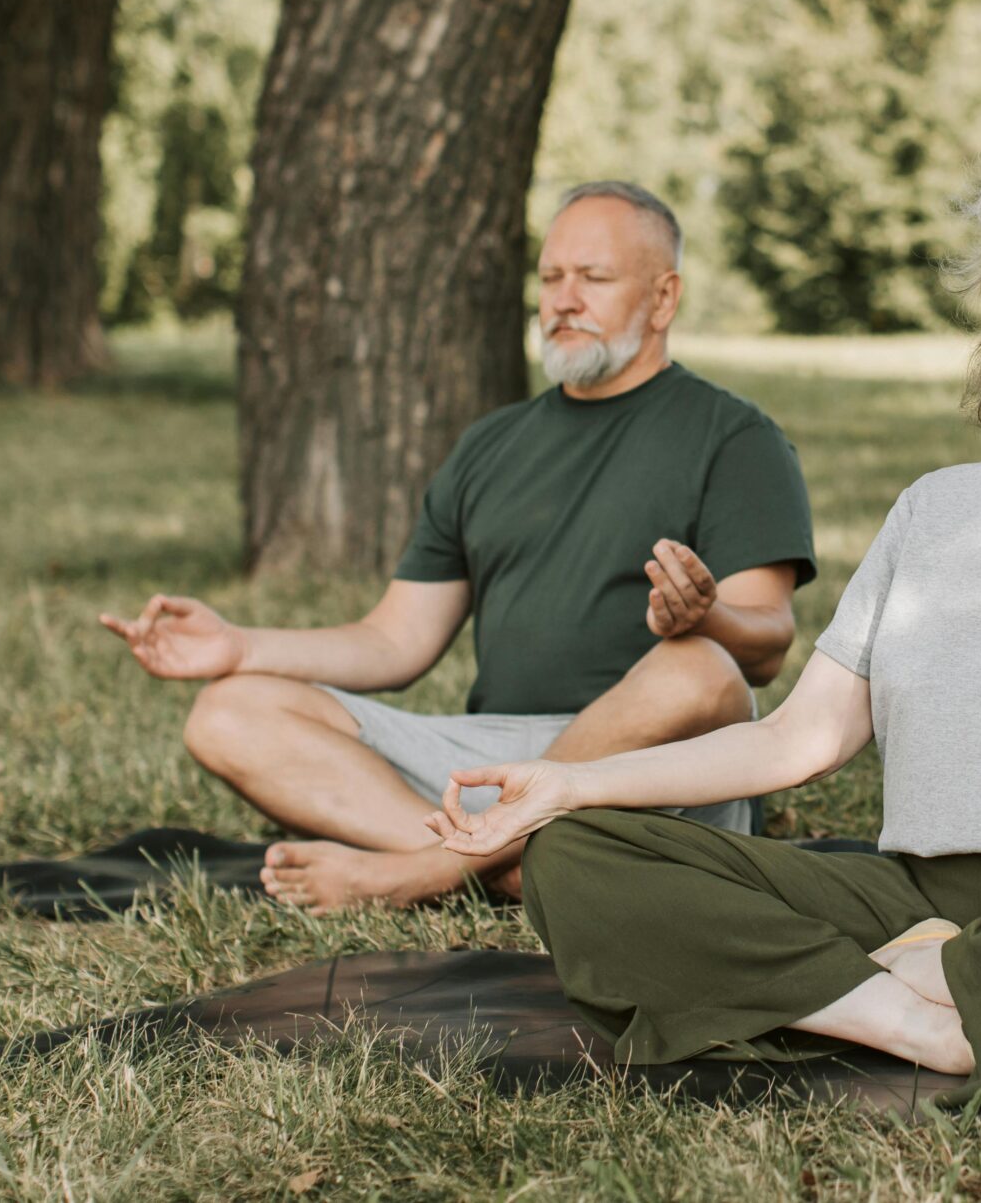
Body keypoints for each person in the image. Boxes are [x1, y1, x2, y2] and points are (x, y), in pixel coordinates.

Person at [427, 127, 981, 1103]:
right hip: (915, 900)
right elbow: (797, 739)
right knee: (579, 851)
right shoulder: (932, 508)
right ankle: (913, 1018)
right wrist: (566, 784)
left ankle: (863, 988)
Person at [96, 181, 817, 912]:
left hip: (647, 766)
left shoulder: (736, 438)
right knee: (228, 712)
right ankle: (501, 870)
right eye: (550, 277)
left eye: (594, 278)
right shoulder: (492, 444)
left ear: (663, 298)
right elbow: (395, 640)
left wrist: (708, 617)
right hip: (494, 760)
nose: (563, 300)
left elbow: (762, 649)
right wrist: (238, 647)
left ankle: (420, 874)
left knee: (700, 669)